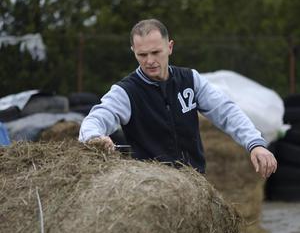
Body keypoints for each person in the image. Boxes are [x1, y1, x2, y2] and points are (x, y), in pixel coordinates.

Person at [79, 18, 277, 178]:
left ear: (170, 47)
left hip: (195, 182)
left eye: (156, 52)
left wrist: (255, 143)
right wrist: (94, 137)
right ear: (133, 52)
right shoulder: (126, 92)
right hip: (148, 189)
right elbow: (97, 118)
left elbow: (226, 110)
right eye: (142, 54)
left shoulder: (191, 80)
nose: (149, 61)